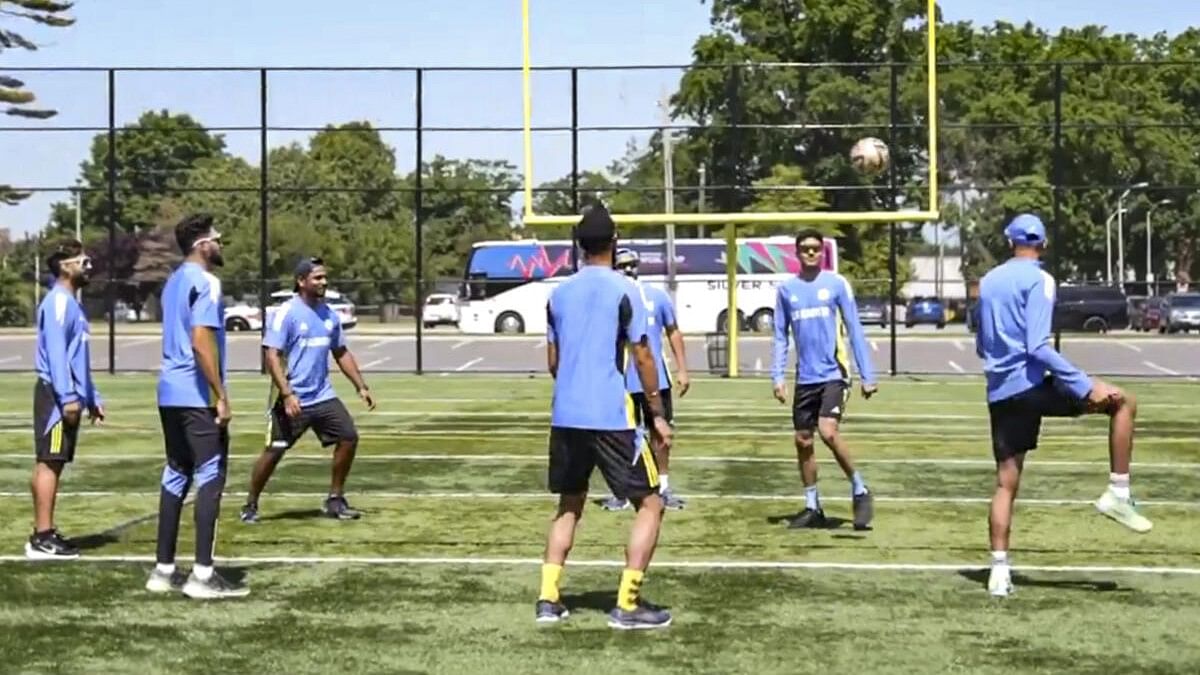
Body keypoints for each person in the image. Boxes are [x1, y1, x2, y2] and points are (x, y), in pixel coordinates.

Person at [976, 213, 1151, 598]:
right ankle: (1118, 493)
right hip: (1034, 385)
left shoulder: (988, 281)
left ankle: (998, 572)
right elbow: (1037, 346)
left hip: (1001, 391)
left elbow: (981, 342)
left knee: (1006, 484)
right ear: (1043, 245)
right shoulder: (1041, 279)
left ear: (1009, 242)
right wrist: (1084, 385)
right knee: (1123, 403)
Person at [535, 204, 675, 630]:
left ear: (578, 247)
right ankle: (628, 604)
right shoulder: (625, 289)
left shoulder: (558, 294)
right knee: (651, 503)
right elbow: (644, 356)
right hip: (611, 417)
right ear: (613, 244)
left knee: (569, 504)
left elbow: (554, 361)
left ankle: (548, 599)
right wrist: (656, 411)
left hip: (566, 415)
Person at [145, 213, 248, 599]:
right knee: (211, 473)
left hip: (168, 392)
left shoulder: (173, 282)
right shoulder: (207, 281)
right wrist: (220, 394)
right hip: (194, 394)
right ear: (202, 245)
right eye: (218, 240)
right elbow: (200, 339)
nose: (221, 246)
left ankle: (163, 570)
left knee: (176, 472)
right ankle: (202, 576)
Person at [240, 256, 376, 523]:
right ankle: (251, 504)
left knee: (348, 436)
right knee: (275, 450)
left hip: (322, 396)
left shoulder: (329, 315)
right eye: (317, 277)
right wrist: (288, 394)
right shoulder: (286, 313)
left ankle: (335, 499)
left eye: (324, 277)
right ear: (301, 281)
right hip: (293, 398)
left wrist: (361, 386)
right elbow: (272, 356)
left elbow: (341, 352)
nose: (323, 282)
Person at [771, 228, 877, 530]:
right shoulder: (786, 290)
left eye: (816, 248)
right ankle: (812, 505)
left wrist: (867, 374)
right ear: (797, 252)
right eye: (805, 248)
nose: (811, 253)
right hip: (806, 378)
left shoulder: (836, 284)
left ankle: (859, 488)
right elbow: (780, 336)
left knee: (827, 431)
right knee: (803, 440)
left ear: (823, 252)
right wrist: (778, 375)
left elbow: (855, 329)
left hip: (834, 374)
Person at [27, 239, 104, 559]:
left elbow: (77, 357)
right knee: (50, 461)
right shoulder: (58, 302)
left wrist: (92, 396)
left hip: (66, 394)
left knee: (54, 461)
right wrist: (68, 397)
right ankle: (42, 536)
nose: (89, 267)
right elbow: (58, 355)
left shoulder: (71, 303)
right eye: (83, 262)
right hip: (55, 396)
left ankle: (44, 531)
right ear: (64, 265)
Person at [602, 248, 690, 512]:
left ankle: (663, 486)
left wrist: (682, 369)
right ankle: (624, 489)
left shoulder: (656, 295)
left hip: (656, 378)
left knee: (661, 435)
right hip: (622, 378)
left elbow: (673, 332)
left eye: (632, 265)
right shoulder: (611, 298)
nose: (628, 270)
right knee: (623, 437)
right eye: (622, 266)